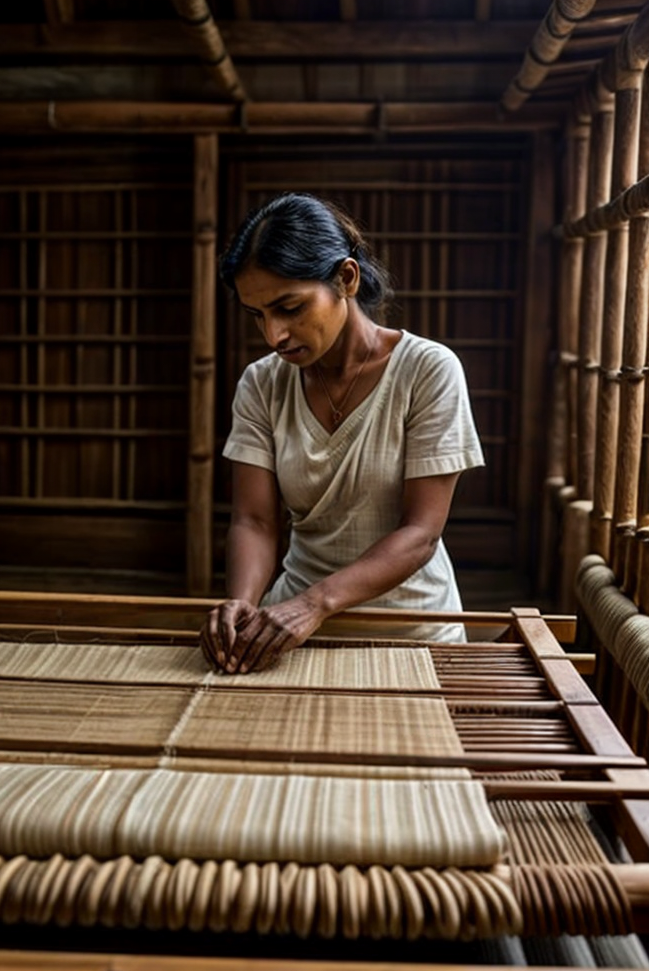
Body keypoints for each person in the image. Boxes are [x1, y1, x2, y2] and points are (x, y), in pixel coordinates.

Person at [200, 192, 484, 674]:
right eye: (258, 315)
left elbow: (420, 534)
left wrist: (317, 604)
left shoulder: (428, 371)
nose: (274, 335)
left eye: (289, 308)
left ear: (346, 279)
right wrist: (244, 603)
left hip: (413, 633)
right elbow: (255, 521)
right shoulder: (262, 383)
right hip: (288, 635)